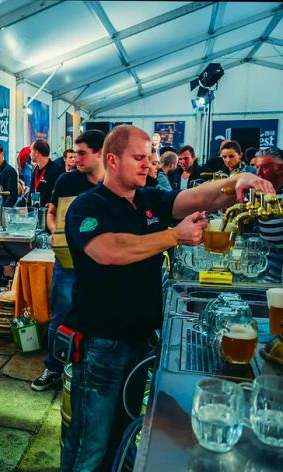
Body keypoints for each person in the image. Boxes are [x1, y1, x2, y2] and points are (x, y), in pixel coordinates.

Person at [60, 125, 274, 471]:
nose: (149, 165)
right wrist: (174, 235)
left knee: (122, 433)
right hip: (102, 344)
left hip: (140, 338)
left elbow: (202, 197)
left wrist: (237, 184)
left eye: (151, 158)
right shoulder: (88, 206)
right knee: (89, 445)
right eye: (139, 158)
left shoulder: (148, 198)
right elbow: (108, 249)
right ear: (112, 160)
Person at [31, 129, 105, 391]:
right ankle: (53, 367)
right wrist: (55, 232)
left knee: (99, 316)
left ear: (101, 153)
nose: (75, 158)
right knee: (61, 314)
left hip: (103, 264)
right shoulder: (66, 181)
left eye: (82, 153)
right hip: (68, 260)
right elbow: (51, 214)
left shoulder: (112, 184)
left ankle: (88, 369)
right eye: (75, 153)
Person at [255, 147, 283, 282]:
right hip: (269, 266)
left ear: (280, 168)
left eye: (264, 167)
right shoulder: (261, 193)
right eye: (257, 167)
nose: (258, 173)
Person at [29, 139, 63, 208]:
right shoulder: (35, 169)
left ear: (36, 152)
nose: (30, 154)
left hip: (48, 213)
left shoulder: (57, 170)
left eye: (31, 151)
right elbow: (32, 190)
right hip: (34, 212)